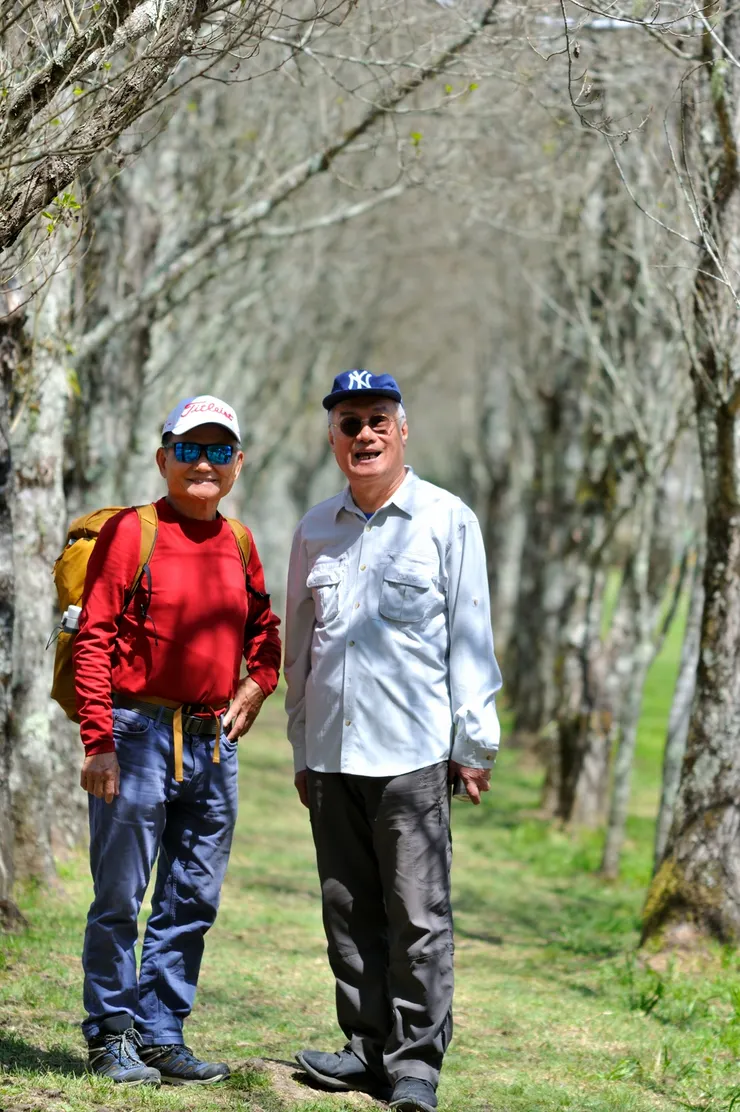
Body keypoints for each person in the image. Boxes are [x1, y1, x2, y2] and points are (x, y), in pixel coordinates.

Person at [284, 370, 502, 1112]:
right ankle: (365, 1046)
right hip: (332, 752)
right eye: (350, 423)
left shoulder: (447, 520)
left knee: (417, 913)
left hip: (412, 754)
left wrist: (474, 743)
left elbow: (472, 640)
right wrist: (300, 746)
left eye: (378, 420)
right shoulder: (314, 527)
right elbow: (300, 649)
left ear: (404, 431)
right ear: (333, 438)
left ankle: (415, 1064)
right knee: (346, 907)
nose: (364, 434)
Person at [74, 394, 281, 1086]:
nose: (203, 462)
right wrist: (97, 742)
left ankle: (162, 1032)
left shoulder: (241, 541)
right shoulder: (134, 533)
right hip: (134, 735)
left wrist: (259, 683)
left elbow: (265, 630)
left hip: (212, 743)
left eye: (219, 450)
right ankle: (110, 1033)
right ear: (164, 458)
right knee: (120, 896)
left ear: (238, 464)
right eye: (189, 448)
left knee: (192, 896)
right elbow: (94, 638)